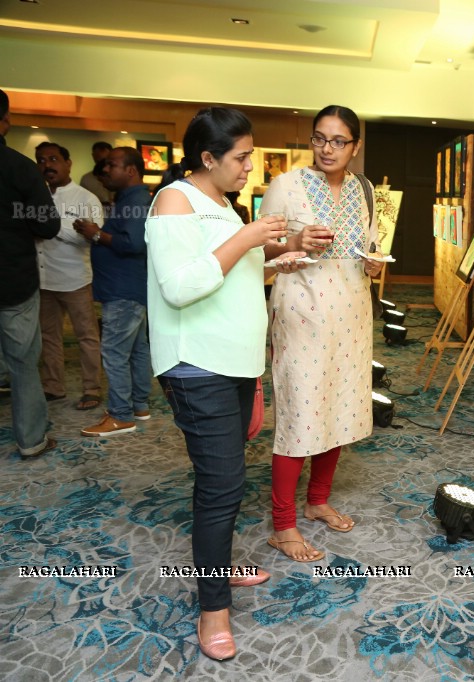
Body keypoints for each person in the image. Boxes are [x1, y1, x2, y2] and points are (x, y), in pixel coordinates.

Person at [145, 106, 304, 661]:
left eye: (251, 156)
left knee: (224, 479)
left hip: (234, 364)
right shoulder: (174, 200)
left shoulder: (221, 204)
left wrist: (281, 255)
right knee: (223, 487)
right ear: (207, 158)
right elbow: (180, 287)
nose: (249, 167)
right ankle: (212, 608)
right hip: (198, 365)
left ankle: (219, 561)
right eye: (240, 158)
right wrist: (252, 237)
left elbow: (229, 274)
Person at [261, 104, 383, 562]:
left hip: (352, 313)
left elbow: (369, 249)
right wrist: (292, 243)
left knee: (339, 406)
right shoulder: (286, 185)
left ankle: (317, 501)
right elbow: (261, 247)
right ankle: (283, 524)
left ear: (355, 146)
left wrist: (372, 263)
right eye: (319, 138)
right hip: (301, 311)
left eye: (337, 141)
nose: (326, 149)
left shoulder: (364, 190)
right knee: (299, 413)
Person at [73, 147, 153, 436]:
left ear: (130, 170)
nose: (105, 170)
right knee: (136, 350)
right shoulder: (130, 199)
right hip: (129, 287)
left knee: (115, 352)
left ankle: (120, 415)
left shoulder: (137, 199)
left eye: (112, 165)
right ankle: (139, 406)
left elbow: (132, 243)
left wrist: (95, 233)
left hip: (124, 290)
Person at [0, 88, 61, 457]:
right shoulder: (19, 166)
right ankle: (30, 440)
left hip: (14, 279)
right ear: (4, 121)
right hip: (13, 280)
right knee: (22, 364)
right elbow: (48, 225)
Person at [34, 142, 104, 409]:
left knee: (86, 336)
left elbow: (88, 239)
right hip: (42, 279)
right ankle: (53, 387)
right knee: (48, 336)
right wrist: (66, 228)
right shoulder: (35, 197)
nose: (47, 165)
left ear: (68, 163)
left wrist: (49, 227)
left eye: (53, 159)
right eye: (41, 160)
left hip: (75, 279)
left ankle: (92, 389)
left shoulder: (87, 199)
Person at [80, 141, 114, 206]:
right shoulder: (86, 179)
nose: (104, 166)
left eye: (106, 160)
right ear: (93, 156)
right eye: (99, 160)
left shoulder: (119, 177)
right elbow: (82, 201)